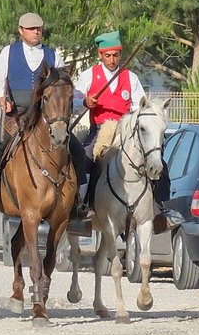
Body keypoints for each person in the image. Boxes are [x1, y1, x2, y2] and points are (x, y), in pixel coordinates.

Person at [0, 12, 88, 224]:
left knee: (78, 150)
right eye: (30, 29)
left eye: (38, 28)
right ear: (21, 30)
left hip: (45, 117)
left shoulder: (53, 55)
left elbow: (62, 86)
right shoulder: (8, 52)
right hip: (15, 114)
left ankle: (77, 201)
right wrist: (1, 100)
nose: (35, 32)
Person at [74, 30, 176, 227]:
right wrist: (85, 102)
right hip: (100, 130)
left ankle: (160, 207)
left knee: (158, 162)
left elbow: (140, 107)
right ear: (100, 55)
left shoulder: (130, 77)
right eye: (108, 56)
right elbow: (73, 100)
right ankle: (82, 205)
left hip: (126, 131)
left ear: (120, 55)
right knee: (84, 159)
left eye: (116, 55)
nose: (112, 60)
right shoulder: (88, 76)